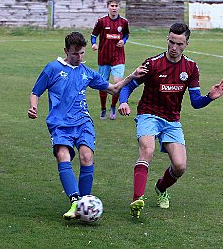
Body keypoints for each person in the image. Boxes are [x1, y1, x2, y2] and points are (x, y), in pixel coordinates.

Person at [28, 31, 146, 220]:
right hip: (59, 124)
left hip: (83, 122)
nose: (79, 57)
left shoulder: (87, 72)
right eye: (75, 53)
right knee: (62, 155)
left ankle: (82, 202)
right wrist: (33, 107)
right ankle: (75, 201)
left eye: (82, 53)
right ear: (66, 50)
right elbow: (35, 92)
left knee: (86, 156)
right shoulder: (52, 68)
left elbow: (113, 89)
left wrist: (132, 75)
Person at [118, 23, 223, 219]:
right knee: (147, 150)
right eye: (171, 42)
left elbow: (195, 102)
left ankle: (161, 188)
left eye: (179, 43)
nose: (174, 47)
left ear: (186, 44)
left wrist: (210, 97)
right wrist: (124, 102)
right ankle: (137, 199)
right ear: (167, 40)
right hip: (148, 114)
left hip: (171, 120)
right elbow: (127, 86)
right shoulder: (152, 64)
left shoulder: (191, 68)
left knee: (180, 166)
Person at [91, 0, 130, 120]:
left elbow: (126, 34)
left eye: (116, 6)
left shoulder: (124, 22)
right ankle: (103, 108)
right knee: (103, 84)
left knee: (117, 83)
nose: (114, 8)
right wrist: (94, 43)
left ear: (119, 7)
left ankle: (113, 106)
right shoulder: (101, 21)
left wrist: (123, 41)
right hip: (104, 57)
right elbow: (93, 35)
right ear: (108, 7)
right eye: (112, 6)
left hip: (118, 57)